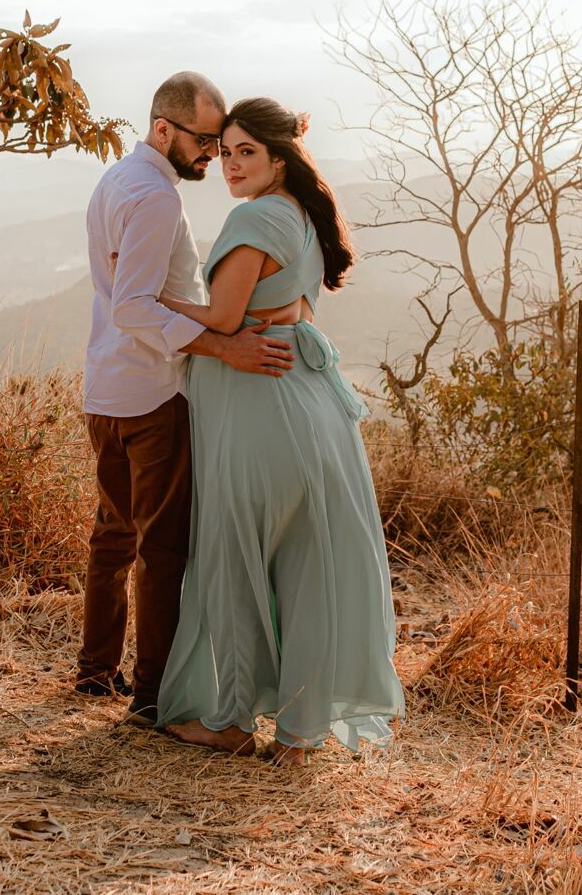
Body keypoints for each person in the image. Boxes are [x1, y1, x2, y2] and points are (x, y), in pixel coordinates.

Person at [153, 97, 406, 765]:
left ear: (279, 158)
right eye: (227, 152)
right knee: (306, 572)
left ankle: (232, 721)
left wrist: (150, 299)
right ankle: (297, 735)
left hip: (262, 416)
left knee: (235, 564)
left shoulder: (256, 216)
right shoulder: (298, 216)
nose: (232, 166)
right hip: (312, 414)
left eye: (247, 153)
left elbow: (226, 317)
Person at [79, 73, 295, 727]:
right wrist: (226, 348)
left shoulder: (115, 180)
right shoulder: (158, 200)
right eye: (203, 140)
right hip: (151, 394)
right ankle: (153, 697)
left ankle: (94, 671)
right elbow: (137, 307)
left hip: (104, 388)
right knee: (163, 548)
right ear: (164, 129)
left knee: (112, 536)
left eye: (220, 141)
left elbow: (120, 297)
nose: (212, 154)